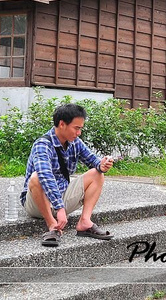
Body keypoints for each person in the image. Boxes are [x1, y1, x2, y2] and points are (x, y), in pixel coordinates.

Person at [20, 103, 114, 247]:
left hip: (62, 198)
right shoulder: (42, 145)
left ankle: (85, 222)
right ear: (62, 124)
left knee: (97, 174)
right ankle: (52, 225)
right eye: (76, 128)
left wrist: (102, 165)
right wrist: (59, 207)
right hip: (37, 203)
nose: (79, 133)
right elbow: (45, 177)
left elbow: (93, 161)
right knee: (36, 177)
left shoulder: (75, 142)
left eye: (80, 129)